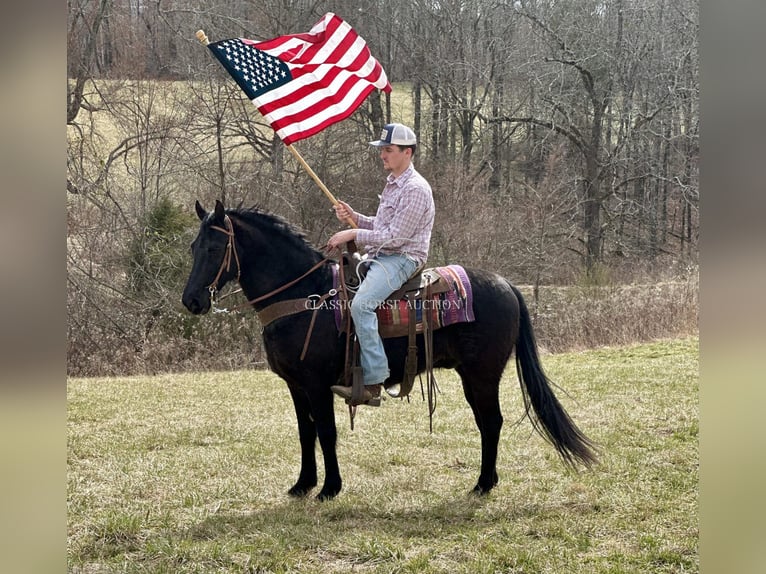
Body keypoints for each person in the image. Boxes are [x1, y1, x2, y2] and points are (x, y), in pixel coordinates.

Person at [326, 123, 435, 406]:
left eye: (388, 150)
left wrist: (352, 234)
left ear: (407, 153)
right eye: (382, 150)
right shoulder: (393, 183)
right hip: (383, 255)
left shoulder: (415, 189)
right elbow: (382, 225)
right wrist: (355, 217)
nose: (382, 155)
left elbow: (395, 239)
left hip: (402, 259)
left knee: (361, 304)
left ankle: (374, 382)